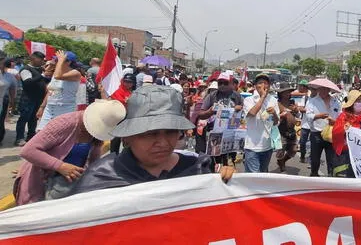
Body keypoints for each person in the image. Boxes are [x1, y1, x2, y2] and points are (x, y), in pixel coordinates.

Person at [67, 86, 234, 196]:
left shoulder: (198, 169)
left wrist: (231, 185)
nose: (162, 142)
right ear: (128, 137)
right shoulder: (101, 178)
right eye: (150, 133)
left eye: (170, 132)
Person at [13, 99, 125, 205]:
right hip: (40, 184)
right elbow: (28, 150)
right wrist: (61, 166)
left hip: (66, 188)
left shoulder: (95, 135)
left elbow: (94, 161)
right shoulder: (64, 123)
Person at [198, 73, 244, 167]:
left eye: (225, 83)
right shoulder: (212, 96)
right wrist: (210, 112)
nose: (222, 85)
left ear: (231, 83)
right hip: (215, 134)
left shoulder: (237, 96)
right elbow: (201, 115)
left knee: (230, 164)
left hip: (231, 134)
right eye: (220, 83)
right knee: (215, 164)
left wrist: (241, 108)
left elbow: (245, 114)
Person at [242, 74, 280, 173]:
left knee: (263, 175)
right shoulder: (248, 100)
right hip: (252, 147)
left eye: (266, 83)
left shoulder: (273, 100)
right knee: (254, 177)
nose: (263, 85)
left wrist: (274, 113)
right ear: (255, 86)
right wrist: (263, 97)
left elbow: (276, 123)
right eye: (260, 83)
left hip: (267, 146)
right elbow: (252, 113)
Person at [36, 51, 82, 131]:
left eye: (58, 60)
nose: (56, 62)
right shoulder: (56, 73)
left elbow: (58, 76)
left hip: (65, 108)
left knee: (59, 134)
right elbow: (50, 91)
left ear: (68, 62)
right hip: (50, 108)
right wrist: (42, 107)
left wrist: (60, 61)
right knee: (41, 132)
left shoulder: (75, 73)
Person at [330, 89, 361, 178]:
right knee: (343, 181)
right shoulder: (343, 116)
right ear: (352, 103)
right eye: (358, 101)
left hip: (360, 156)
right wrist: (343, 129)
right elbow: (335, 132)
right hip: (345, 155)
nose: (360, 103)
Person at [305, 82, 341, 177]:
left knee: (331, 159)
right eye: (321, 89)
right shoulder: (312, 101)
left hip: (331, 133)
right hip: (317, 133)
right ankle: (314, 174)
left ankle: (331, 177)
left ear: (329, 90)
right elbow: (308, 116)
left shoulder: (335, 101)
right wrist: (317, 116)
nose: (323, 91)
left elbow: (340, 116)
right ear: (318, 89)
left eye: (326, 89)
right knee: (315, 158)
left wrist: (335, 122)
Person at [15, 52, 49, 146]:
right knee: (24, 118)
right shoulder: (25, 69)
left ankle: (30, 136)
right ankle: (19, 138)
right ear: (33, 59)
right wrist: (41, 75)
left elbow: (44, 81)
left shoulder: (39, 70)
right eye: (41, 59)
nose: (42, 61)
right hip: (28, 99)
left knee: (34, 119)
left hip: (38, 98)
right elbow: (28, 82)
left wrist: (47, 75)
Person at [275, 85, 298, 172]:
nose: (288, 93)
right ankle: (280, 162)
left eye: (289, 92)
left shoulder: (292, 102)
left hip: (291, 130)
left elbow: (298, 116)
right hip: (281, 130)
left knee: (294, 150)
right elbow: (274, 117)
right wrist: (281, 115)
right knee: (280, 150)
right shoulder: (277, 103)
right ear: (281, 93)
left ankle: (283, 161)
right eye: (286, 92)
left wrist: (296, 110)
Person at [292, 79, 311, 163]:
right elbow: (292, 94)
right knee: (302, 142)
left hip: (313, 123)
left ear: (304, 87)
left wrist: (304, 109)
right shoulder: (300, 94)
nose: (298, 87)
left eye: (300, 86)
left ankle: (312, 158)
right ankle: (303, 155)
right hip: (304, 123)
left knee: (313, 144)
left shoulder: (311, 95)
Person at [0, 58, 18, 146]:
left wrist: (13, 102)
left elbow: (12, 89)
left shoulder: (10, 76)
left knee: (0, 120)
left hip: (3, 100)